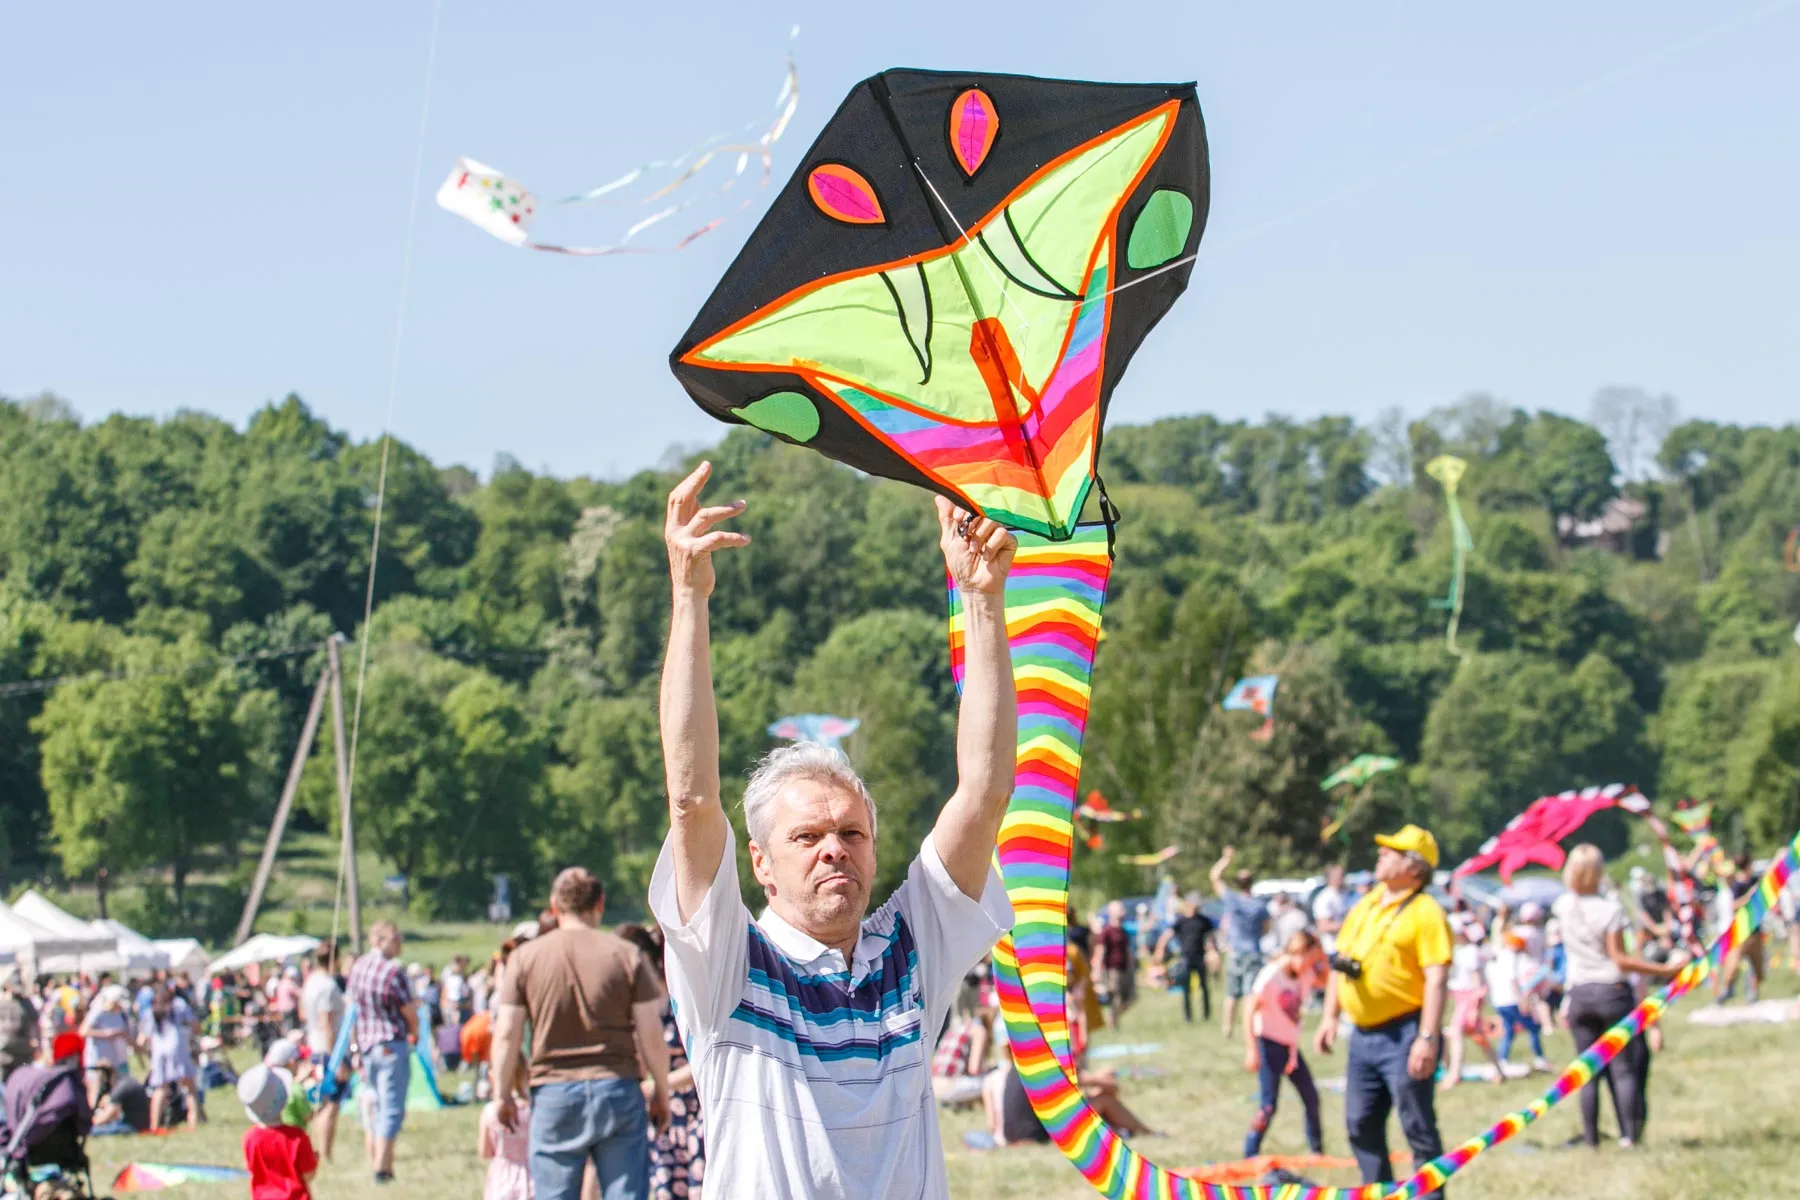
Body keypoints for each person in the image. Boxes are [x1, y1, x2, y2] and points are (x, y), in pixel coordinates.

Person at [648, 466, 1018, 1200]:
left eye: (852, 833)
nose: (833, 849)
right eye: (807, 837)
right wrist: (688, 599)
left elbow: (982, 793)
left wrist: (981, 601)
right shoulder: (727, 963)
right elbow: (691, 798)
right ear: (760, 863)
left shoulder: (914, 949)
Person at [492, 868, 669, 1200]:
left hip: (553, 1093)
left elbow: (506, 1034)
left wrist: (502, 1094)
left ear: (554, 905)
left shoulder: (524, 958)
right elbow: (651, 1035)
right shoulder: (626, 955)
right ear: (600, 903)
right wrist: (661, 1090)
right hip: (617, 1087)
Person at [1314, 825, 1451, 1199]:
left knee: (1418, 1126)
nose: (1381, 855)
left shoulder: (1426, 912)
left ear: (1415, 867)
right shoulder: (1367, 904)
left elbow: (1437, 979)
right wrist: (1329, 1016)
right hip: (1362, 1036)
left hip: (1405, 1032)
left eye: (1391, 851)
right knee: (1360, 1124)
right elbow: (1340, 965)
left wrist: (1427, 1037)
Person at [1554, 844, 1687, 1148]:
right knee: (1624, 1069)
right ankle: (1629, 1137)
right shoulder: (1609, 910)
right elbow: (1619, 959)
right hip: (1610, 992)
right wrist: (1665, 971)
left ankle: (1591, 1140)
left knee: (1586, 1070)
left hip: (1579, 994)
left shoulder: (1563, 906)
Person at [618, 923, 705, 1200]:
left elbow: (704, 1059)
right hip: (662, 1111)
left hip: (695, 1108)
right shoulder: (634, 1007)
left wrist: (660, 1083)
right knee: (666, 1187)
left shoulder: (679, 999)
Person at [1243, 930, 1326, 1158]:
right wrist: (1252, 1050)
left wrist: (1321, 955)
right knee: (1268, 1106)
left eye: (1312, 960)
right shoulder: (1271, 975)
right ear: (1295, 953)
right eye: (1306, 959)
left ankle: (1317, 1151)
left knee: (1311, 1097)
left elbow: (1328, 979)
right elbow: (1249, 1009)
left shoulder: (1305, 974)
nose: (1308, 965)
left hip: (1290, 1047)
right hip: (1268, 1045)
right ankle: (1250, 1153)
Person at [346, 920, 417, 1185]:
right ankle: (382, 1167)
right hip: (390, 1041)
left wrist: (354, 1048)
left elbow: (352, 1011)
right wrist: (415, 1030)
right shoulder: (392, 971)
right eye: (394, 938)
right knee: (392, 1107)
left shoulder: (358, 967)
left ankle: (378, 1158)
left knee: (374, 1103)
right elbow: (408, 1008)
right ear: (378, 940)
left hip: (366, 1046)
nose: (399, 943)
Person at [1211, 846, 1269, 1039]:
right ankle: (1249, 1028)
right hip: (1253, 951)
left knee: (1231, 993)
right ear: (1251, 884)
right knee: (1249, 993)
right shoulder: (1259, 905)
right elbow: (1267, 928)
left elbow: (1214, 876)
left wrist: (1226, 859)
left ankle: (1227, 1028)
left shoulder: (1232, 900)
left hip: (1235, 952)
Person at [239, 1062, 318, 1200]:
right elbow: (308, 1175)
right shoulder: (297, 1137)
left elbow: (251, 1169)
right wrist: (315, 1159)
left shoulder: (249, 1138)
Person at [1441, 923, 1502, 1090]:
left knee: (1455, 1033)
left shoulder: (1470, 952)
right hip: (1461, 996)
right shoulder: (1459, 951)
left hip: (1469, 997)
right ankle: (1498, 1070)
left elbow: (1477, 982)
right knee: (1478, 1036)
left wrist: (1475, 1008)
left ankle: (1454, 1073)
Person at [299, 945, 346, 1161]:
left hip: (314, 1046)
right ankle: (325, 1153)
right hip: (326, 1050)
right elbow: (326, 1022)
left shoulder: (310, 982)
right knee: (330, 1103)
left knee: (322, 1102)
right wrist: (336, 1057)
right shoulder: (327, 985)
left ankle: (320, 1150)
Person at [1484, 929, 1549, 1072]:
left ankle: (1502, 1060)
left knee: (1508, 1031)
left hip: (1499, 1001)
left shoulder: (1498, 956)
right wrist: (1521, 999)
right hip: (1511, 1000)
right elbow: (1512, 980)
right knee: (1533, 1027)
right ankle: (1540, 1059)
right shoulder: (1510, 957)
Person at [142, 983, 200, 1131]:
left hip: (159, 1050)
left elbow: (144, 1037)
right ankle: (193, 1123)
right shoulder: (178, 1004)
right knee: (189, 1087)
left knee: (160, 1088)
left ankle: (154, 1126)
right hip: (177, 1047)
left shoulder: (150, 1011)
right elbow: (194, 1024)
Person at [1155, 893, 1215, 1024]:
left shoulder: (1204, 921)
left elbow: (1210, 938)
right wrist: (1160, 949)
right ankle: (1188, 1017)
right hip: (1186, 958)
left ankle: (1206, 1015)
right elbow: (1167, 934)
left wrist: (1212, 952)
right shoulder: (1181, 921)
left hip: (1200, 957)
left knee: (1204, 987)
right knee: (1186, 989)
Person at [1719, 853, 1766, 1003]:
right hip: (1741, 931)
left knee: (1758, 967)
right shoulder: (1737, 885)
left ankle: (1752, 994)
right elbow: (1734, 906)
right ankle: (1725, 992)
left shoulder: (1754, 880)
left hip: (1756, 930)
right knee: (1732, 965)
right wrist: (1749, 897)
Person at [78, 986, 131, 1108]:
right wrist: (107, 1034)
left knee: (115, 1088)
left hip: (115, 1058)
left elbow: (126, 1034)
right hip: (98, 1058)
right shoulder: (97, 1012)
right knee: (96, 1087)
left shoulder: (121, 1014)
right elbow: (83, 1031)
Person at [478, 1082, 533, 1200]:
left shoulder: (490, 1111)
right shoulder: (533, 1109)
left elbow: (485, 1152)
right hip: (532, 1176)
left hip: (501, 1178)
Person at [1096, 902, 1135, 1028]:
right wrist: (1096, 971)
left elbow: (1127, 949)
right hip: (1112, 969)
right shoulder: (1106, 931)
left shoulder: (1123, 930)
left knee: (1132, 997)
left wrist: (1131, 965)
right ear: (1112, 913)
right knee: (1116, 998)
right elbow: (1100, 951)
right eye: (1121, 909)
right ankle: (1113, 1024)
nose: (1123, 912)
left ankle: (1112, 1018)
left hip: (1125, 967)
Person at [90, 1064, 152, 1134]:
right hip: (142, 1124)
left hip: (132, 1127)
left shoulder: (120, 1088)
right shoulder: (126, 1081)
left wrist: (90, 1122)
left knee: (93, 1130)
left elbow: (106, 1116)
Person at [1312, 865, 1350, 955]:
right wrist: (1349, 924)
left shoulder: (1346, 894)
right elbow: (1323, 926)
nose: (1343, 879)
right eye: (1340, 876)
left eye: (1343, 875)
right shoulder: (1324, 898)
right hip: (1331, 948)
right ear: (1331, 878)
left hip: (1347, 946)